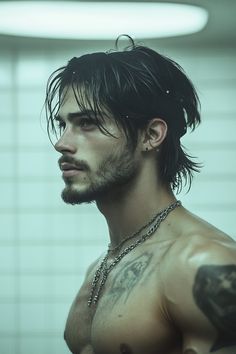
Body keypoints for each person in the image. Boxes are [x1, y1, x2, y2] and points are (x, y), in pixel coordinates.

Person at [45, 36, 236, 354]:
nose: (62, 142)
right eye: (62, 124)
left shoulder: (202, 265)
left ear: (151, 135)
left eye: (87, 123)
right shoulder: (101, 267)